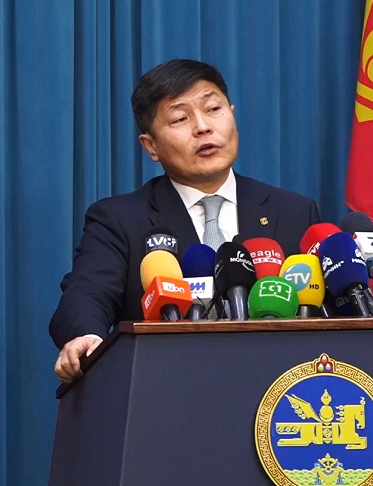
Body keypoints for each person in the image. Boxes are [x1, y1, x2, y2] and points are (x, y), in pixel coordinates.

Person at [51, 59, 320, 382]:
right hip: (168, 388)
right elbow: (86, 293)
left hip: (276, 391)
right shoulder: (119, 219)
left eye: (214, 109)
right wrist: (86, 335)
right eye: (180, 118)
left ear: (232, 115)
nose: (203, 127)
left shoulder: (293, 211)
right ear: (151, 146)